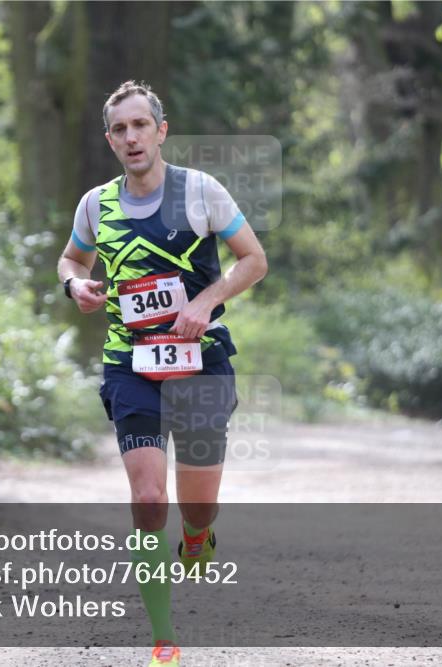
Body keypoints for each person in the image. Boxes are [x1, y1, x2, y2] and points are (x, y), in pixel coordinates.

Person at [57, 80, 267, 666]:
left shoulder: (200, 191)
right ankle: (163, 635)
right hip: (130, 364)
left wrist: (204, 303)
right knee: (149, 499)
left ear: (161, 130)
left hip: (202, 363)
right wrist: (76, 283)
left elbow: (254, 259)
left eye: (140, 125)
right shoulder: (97, 204)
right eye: (120, 129)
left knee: (196, 507)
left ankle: (198, 536)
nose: (131, 137)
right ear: (110, 139)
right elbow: (72, 256)